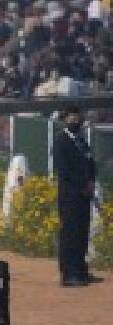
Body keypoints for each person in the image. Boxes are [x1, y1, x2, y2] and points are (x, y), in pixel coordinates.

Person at [54, 106, 103, 286]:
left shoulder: (82, 141)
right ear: (65, 118)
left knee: (82, 232)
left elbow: (90, 163)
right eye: (71, 117)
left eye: (77, 116)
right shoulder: (61, 141)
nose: (76, 120)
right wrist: (81, 185)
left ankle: (81, 269)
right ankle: (68, 273)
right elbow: (64, 170)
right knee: (70, 233)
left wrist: (90, 182)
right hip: (70, 195)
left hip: (84, 195)